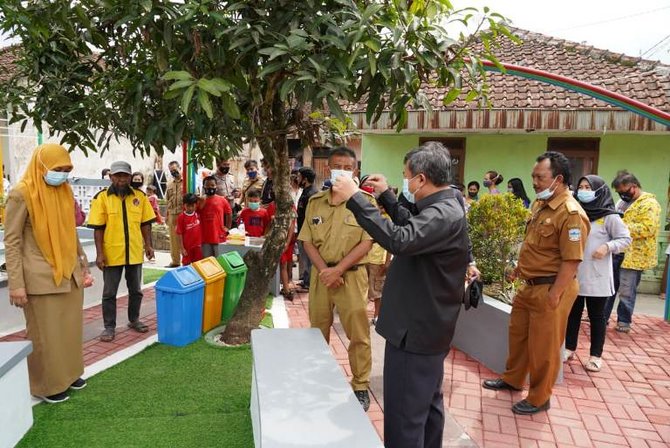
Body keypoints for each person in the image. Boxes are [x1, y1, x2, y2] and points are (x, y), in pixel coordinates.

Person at [332, 142, 471, 447]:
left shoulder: (444, 213)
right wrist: (386, 196)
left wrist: (356, 198)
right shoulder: (445, 206)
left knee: (405, 417)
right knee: (427, 408)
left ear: (422, 179)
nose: (405, 181)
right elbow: (412, 226)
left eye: (407, 176)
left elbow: (400, 239)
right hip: (426, 328)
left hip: (416, 331)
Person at [482, 151, 589, 416]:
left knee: (544, 348)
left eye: (540, 177)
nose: (535, 182)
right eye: (533, 176)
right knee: (519, 337)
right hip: (528, 285)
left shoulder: (571, 213)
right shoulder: (540, 205)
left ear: (558, 179)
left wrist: (555, 295)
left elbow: (572, 260)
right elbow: (534, 246)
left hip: (552, 287)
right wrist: (518, 270)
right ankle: (513, 379)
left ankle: (540, 397)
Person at [5, 144, 94, 403]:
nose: (63, 174)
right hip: (40, 276)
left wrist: (83, 264)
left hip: (68, 274)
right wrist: (16, 284)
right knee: (45, 335)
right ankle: (47, 385)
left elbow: (70, 231)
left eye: (67, 169)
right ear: (41, 166)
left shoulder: (63, 191)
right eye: (58, 169)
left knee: (68, 330)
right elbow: (12, 242)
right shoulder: (21, 194)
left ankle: (69, 374)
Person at [298, 147, 374, 412]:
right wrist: (325, 272)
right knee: (316, 332)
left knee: (358, 334)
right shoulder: (316, 201)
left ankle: (361, 385)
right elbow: (307, 240)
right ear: (328, 169)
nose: (341, 170)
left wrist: (339, 270)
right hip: (322, 277)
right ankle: (318, 379)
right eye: (336, 166)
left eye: (347, 167)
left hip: (351, 277)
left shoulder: (365, 201)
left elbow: (367, 242)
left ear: (354, 171)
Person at [565, 175, 631, 372]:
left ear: (599, 190)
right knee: (572, 314)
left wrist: (607, 246)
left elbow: (626, 239)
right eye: (581, 187)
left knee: (597, 317)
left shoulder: (609, 216)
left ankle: (595, 356)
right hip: (575, 273)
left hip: (597, 276)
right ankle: (569, 348)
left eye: (588, 187)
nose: (583, 191)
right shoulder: (575, 212)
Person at [88, 161, 156, 342]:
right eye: (117, 176)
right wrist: (100, 253)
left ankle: (134, 319)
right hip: (112, 253)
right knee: (109, 293)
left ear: (130, 176)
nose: (121, 179)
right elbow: (98, 228)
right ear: (111, 177)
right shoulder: (101, 198)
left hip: (134, 252)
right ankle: (109, 327)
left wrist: (148, 245)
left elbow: (145, 224)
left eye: (124, 176)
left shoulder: (140, 197)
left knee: (136, 290)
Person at [605, 171, 661, 333]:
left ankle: (624, 321)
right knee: (609, 287)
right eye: (619, 193)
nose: (622, 195)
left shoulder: (649, 204)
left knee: (627, 291)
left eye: (624, 191)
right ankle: (603, 316)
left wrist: (621, 228)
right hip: (617, 251)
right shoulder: (622, 203)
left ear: (634, 187)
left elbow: (648, 228)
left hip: (634, 255)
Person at [199, 175, 232, 258]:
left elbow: (229, 213)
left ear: (216, 186)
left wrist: (227, 227)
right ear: (204, 187)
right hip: (204, 237)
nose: (210, 187)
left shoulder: (222, 200)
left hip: (219, 236)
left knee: (220, 260)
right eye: (207, 186)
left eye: (212, 185)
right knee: (207, 262)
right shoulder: (200, 201)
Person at [296, 167, 318, 290]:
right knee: (304, 258)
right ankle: (306, 280)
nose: (297, 179)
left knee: (309, 258)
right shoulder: (306, 192)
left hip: (308, 233)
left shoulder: (312, 194)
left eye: (299, 177)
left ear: (305, 179)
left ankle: (309, 282)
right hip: (302, 230)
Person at [165, 160, 184, 268]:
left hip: (183, 213)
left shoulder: (186, 182)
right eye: (171, 171)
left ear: (180, 168)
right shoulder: (169, 184)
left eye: (175, 170)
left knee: (186, 238)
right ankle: (175, 261)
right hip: (172, 214)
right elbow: (167, 200)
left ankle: (187, 260)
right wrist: (167, 215)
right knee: (173, 239)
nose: (173, 172)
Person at [176, 193, 203, 265]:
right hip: (187, 247)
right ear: (184, 205)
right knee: (186, 265)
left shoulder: (198, 213)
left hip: (198, 247)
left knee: (198, 265)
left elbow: (203, 201)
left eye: (192, 206)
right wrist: (182, 248)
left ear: (196, 205)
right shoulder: (181, 217)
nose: (190, 208)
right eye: (188, 206)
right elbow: (179, 233)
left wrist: (197, 197)